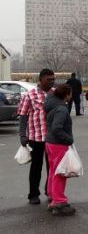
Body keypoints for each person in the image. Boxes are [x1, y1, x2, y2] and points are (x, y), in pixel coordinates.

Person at [18, 68, 55, 205]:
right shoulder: (29, 95)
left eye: (53, 79)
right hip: (36, 138)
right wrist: (22, 135)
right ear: (40, 80)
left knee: (52, 167)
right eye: (48, 79)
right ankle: (33, 194)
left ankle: (50, 191)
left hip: (53, 139)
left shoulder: (55, 94)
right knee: (36, 167)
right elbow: (23, 116)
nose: (51, 82)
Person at [44, 84, 76, 216]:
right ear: (67, 94)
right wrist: (69, 139)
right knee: (60, 173)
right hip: (58, 144)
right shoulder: (62, 109)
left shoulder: (52, 106)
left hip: (50, 143)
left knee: (53, 171)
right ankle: (59, 201)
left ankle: (53, 197)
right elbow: (57, 128)